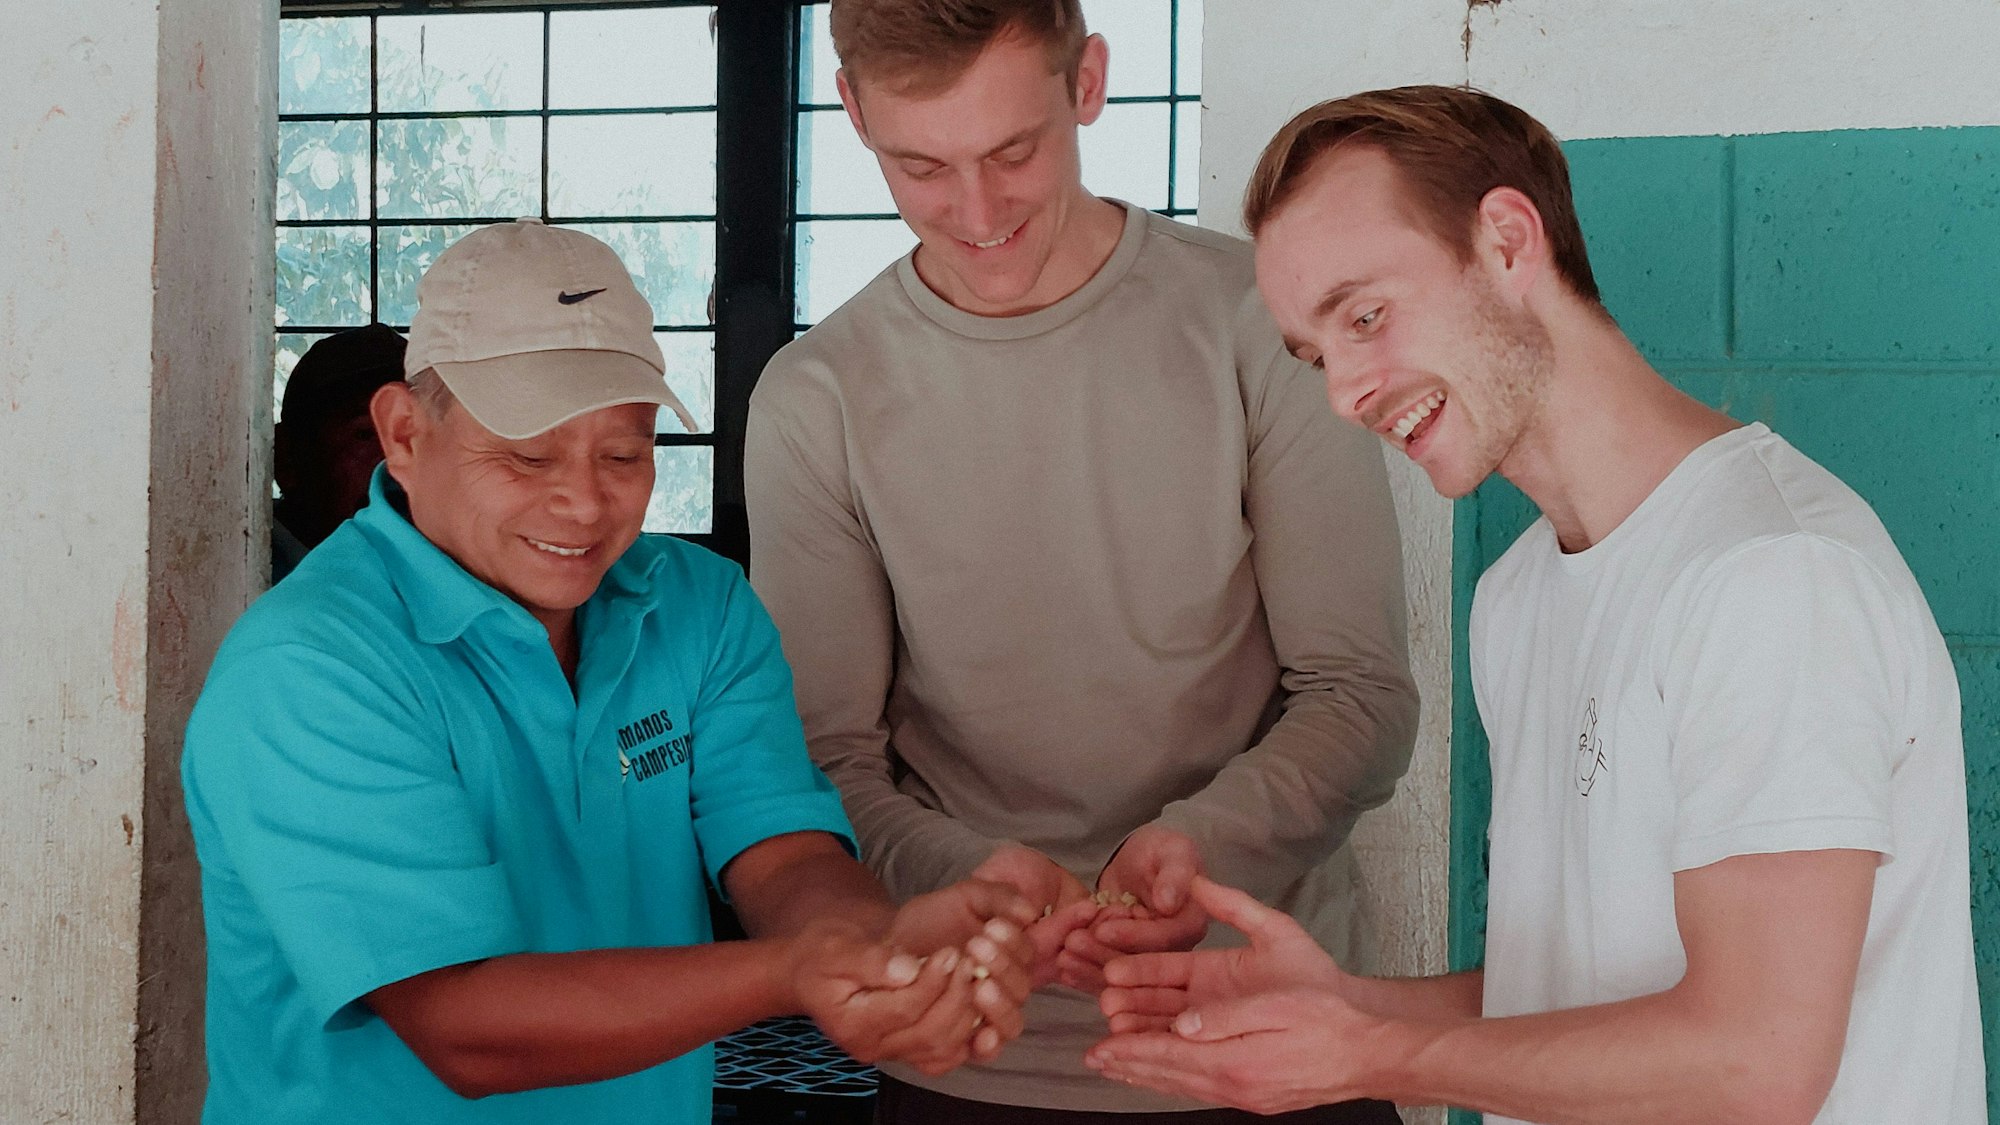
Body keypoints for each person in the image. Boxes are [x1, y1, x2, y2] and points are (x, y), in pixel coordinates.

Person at [1085, 85, 1987, 1124]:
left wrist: (1364, 1056)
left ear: (1508, 241)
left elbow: (1754, 1063)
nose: (1342, 392)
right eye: (1317, 353)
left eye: (1365, 317)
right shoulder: (1514, 598)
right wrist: (1344, 1004)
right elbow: (1579, 994)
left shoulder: (1769, 576)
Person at [183, 220, 1041, 1125]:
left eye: (625, 453)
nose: (586, 500)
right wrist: (795, 973)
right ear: (403, 433)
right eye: (527, 454)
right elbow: (463, 1025)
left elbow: (781, 849)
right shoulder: (312, 669)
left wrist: (886, 955)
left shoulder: (696, 608)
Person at [744, 3, 1419, 1121]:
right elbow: (824, 762)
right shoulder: (815, 402)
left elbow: (1358, 694)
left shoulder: (1260, 321)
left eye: (1014, 152)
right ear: (853, 109)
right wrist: (967, 877)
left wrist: (1195, 850)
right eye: (918, 167)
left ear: (1087, 80)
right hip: (971, 1053)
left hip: (1274, 1038)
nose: (974, 212)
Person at [272, 322, 406, 580]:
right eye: (365, 435)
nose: (399, 463)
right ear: (287, 458)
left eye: (418, 436)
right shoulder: (243, 576)